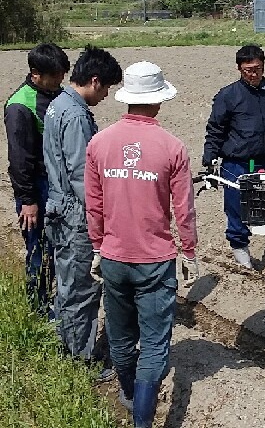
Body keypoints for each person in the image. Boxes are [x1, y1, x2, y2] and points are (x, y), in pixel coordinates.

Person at [85, 61, 198, 426]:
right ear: (159, 100)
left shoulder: (99, 143)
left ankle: (130, 393)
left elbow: (94, 204)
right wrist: (189, 251)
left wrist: (97, 246)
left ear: (128, 98)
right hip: (155, 261)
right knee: (153, 344)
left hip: (113, 258)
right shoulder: (172, 147)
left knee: (120, 337)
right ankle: (143, 421)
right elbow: (184, 208)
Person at [43, 45, 123, 375]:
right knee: (82, 289)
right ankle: (81, 361)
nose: (105, 96)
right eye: (106, 88)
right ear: (94, 80)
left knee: (66, 284)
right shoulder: (76, 116)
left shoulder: (57, 104)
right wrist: (102, 219)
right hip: (75, 215)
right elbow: (82, 177)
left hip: (57, 206)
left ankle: (65, 343)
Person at [203, 44, 265, 268]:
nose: (253, 74)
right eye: (248, 70)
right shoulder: (228, 96)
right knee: (236, 209)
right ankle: (240, 250)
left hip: (264, 164)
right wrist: (209, 159)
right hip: (237, 164)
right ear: (239, 69)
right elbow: (215, 129)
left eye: (257, 69)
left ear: (264, 66)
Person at [3, 43, 69, 320]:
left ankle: (52, 300)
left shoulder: (54, 94)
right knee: (38, 249)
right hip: (35, 189)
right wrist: (28, 200)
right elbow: (20, 161)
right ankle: (38, 310)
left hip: (55, 185)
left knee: (55, 247)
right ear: (35, 74)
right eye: (55, 75)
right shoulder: (20, 106)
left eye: (62, 74)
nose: (60, 80)